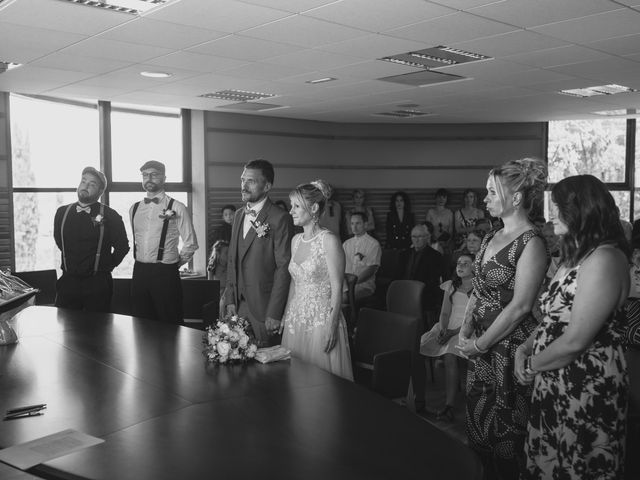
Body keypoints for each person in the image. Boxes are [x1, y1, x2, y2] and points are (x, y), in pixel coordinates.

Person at [516, 175, 630, 480]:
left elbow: (577, 340)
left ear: (581, 210)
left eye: (557, 207)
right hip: (553, 377)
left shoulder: (605, 258)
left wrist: (531, 364)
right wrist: (524, 347)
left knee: (578, 465)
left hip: (585, 383)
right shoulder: (572, 258)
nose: (552, 215)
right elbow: (553, 319)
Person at [456, 158, 548, 480]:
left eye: (492, 192)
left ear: (517, 198)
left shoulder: (532, 243)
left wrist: (481, 343)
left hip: (508, 347)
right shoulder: (489, 237)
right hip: (481, 344)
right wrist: (465, 330)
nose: (485, 199)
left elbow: (521, 306)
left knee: (507, 435)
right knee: (477, 426)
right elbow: (478, 291)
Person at [280, 181, 353, 380]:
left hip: (321, 320)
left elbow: (338, 288)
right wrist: (287, 312)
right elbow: (295, 281)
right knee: (297, 379)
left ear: (313, 208)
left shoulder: (329, 240)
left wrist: (332, 324)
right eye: (291, 205)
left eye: (296, 206)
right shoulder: (296, 241)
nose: (291, 211)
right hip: (296, 319)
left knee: (321, 382)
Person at [224, 159, 294, 347]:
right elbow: (232, 259)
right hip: (237, 306)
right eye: (242, 180)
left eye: (251, 181)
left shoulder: (280, 218)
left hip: (265, 308)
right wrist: (230, 299)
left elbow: (284, 268)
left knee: (267, 370)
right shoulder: (238, 215)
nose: (243, 186)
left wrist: (274, 312)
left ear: (267, 186)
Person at [130, 160, 198, 324]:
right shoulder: (134, 208)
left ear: (164, 178)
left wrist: (174, 264)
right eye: (145, 175)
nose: (149, 178)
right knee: (140, 324)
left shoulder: (177, 206)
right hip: (139, 272)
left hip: (165, 273)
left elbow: (190, 243)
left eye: (154, 174)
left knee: (170, 323)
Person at [54, 167, 129, 312]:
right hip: (67, 283)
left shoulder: (111, 215)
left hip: (97, 285)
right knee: (64, 331)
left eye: (92, 184)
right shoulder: (62, 212)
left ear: (101, 192)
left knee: (97, 331)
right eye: (83, 181)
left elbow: (123, 247)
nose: (85, 186)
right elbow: (59, 241)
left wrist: (106, 266)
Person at [420, 253, 474, 422]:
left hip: (469, 329)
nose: (461, 265)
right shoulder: (451, 285)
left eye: (466, 263)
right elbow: (444, 312)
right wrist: (444, 329)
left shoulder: (480, 287)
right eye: (459, 262)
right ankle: (449, 404)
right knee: (448, 354)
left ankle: (472, 403)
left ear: (475, 267)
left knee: (453, 351)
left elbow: (473, 317)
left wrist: (453, 332)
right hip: (449, 327)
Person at [343, 211, 381, 301]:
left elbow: (371, 270)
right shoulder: (346, 244)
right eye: (352, 224)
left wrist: (352, 284)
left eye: (358, 223)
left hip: (364, 285)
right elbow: (340, 266)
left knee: (343, 297)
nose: (354, 227)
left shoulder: (373, 244)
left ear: (365, 225)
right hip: (345, 284)